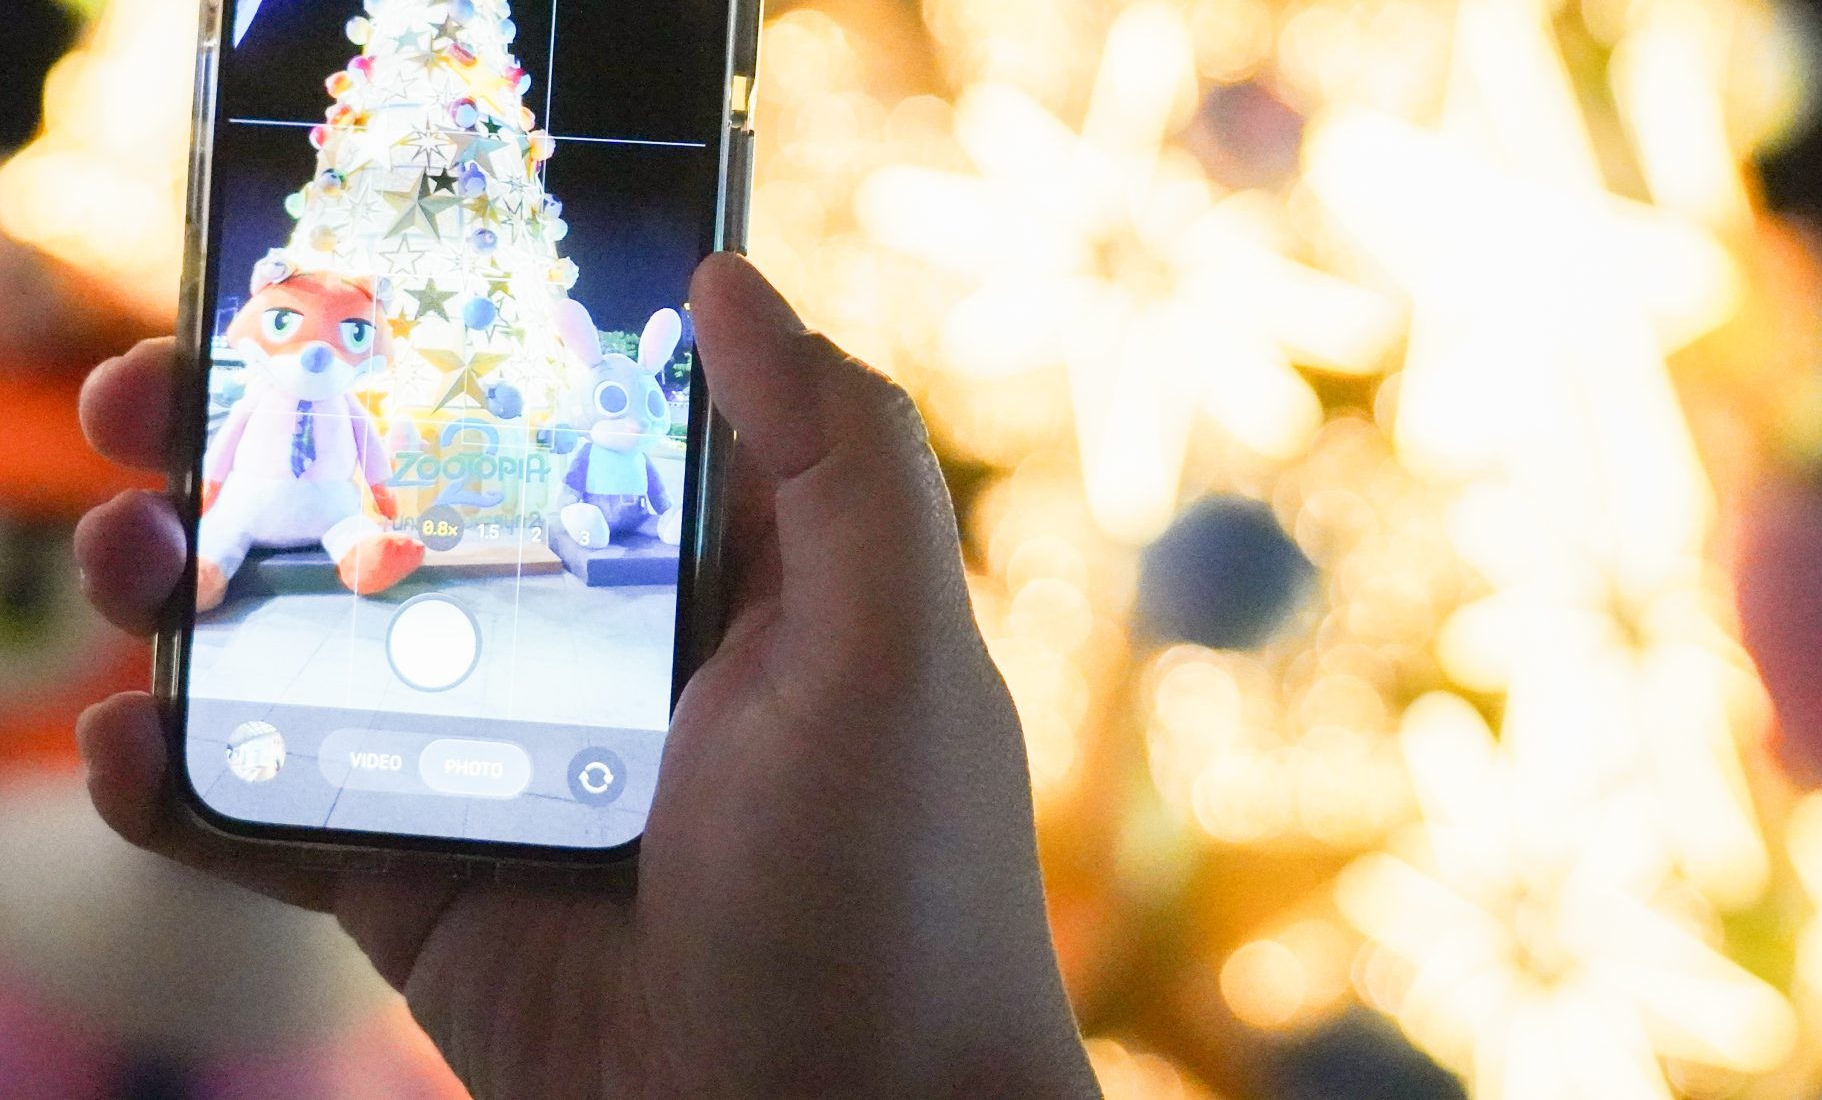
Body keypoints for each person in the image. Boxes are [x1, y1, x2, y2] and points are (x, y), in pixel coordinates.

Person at [70, 252, 1102, 1100]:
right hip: (258, 499)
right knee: (213, 534)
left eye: (342, 335)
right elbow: (229, 446)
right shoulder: (258, 398)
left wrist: (378, 496)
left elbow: (373, 452)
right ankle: (221, 559)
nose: (318, 350)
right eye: (296, 328)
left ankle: (349, 551)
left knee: (325, 535)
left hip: (351, 502)